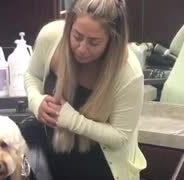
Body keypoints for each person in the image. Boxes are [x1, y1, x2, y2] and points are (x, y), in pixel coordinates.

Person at [24, 0, 147, 179]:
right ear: (69, 26)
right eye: (77, 36)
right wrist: (36, 101)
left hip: (103, 171)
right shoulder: (50, 37)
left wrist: (72, 120)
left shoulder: (128, 72)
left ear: (113, 40)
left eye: (94, 42)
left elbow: (120, 136)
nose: (82, 48)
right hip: (54, 166)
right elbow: (32, 75)